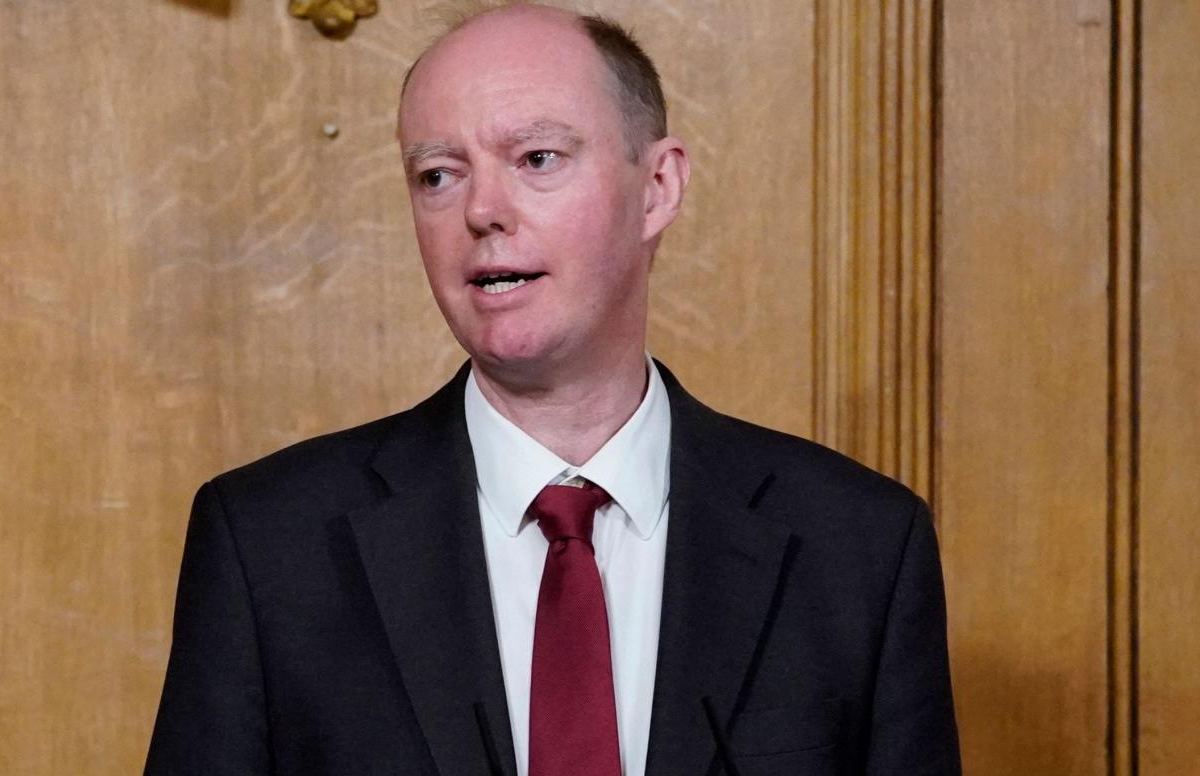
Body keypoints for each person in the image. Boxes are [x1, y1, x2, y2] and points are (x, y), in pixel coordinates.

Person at [144, 3, 961, 775]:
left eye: (537, 159)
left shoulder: (859, 547)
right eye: (438, 175)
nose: (482, 211)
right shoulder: (268, 544)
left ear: (657, 188)